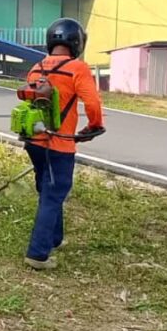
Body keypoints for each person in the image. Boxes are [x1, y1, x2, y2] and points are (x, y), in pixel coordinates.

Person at [22, 18, 104, 270]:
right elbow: (92, 103)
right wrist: (94, 125)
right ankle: (37, 254)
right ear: (77, 42)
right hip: (60, 145)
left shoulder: (36, 68)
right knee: (53, 195)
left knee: (48, 190)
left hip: (34, 141)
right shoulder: (77, 68)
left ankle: (54, 239)